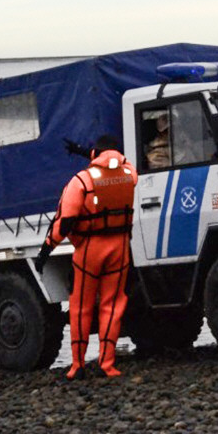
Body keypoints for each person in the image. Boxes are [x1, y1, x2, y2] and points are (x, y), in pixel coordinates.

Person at [34, 135, 138, 378]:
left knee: (81, 307)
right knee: (112, 305)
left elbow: (65, 222)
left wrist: (45, 251)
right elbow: (119, 161)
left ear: (96, 154)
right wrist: (87, 152)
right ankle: (107, 364)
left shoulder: (81, 181)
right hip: (120, 247)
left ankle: (77, 365)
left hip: (90, 249)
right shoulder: (129, 175)